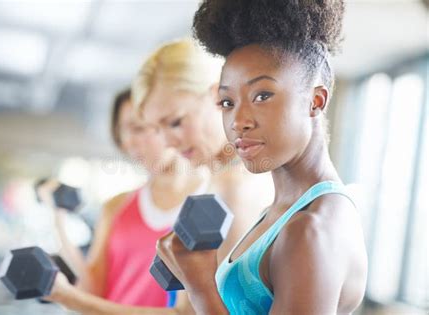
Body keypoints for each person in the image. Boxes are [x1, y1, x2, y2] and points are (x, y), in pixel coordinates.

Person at [155, 1, 368, 314]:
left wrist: (200, 286)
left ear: (315, 100)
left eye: (262, 96)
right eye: (227, 102)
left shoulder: (311, 228)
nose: (238, 120)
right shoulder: (281, 211)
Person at [38, 88, 206, 314]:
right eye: (123, 133)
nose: (129, 143)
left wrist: (68, 298)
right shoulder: (116, 207)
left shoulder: (212, 201)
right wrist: (58, 220)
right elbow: (93, 291)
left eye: (137, 128)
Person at [132, 39, 272, 262]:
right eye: (158, 129)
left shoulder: (231, 188)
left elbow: (218, 298)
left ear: (218, 97)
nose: (168, 142)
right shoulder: (220, 181)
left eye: (175, 122)